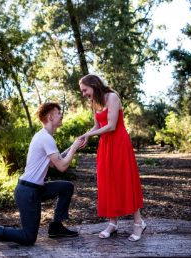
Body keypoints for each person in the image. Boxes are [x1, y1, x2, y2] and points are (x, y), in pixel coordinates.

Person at [0, 103, 83, 246]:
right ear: (50, 117)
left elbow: (54, 162)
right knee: (28, 237)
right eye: (59, 112)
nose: (62, 115)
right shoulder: (46, 138)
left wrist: (73, 147)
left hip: (35, 189)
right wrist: (74, 148)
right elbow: (62, 167)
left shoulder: (43, 136)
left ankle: (56, 227)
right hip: (28, 193)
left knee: (66, 187)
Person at [77, 74, 145, 241]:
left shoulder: (112, 97)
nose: (84, 94)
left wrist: (88, 134)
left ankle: (139, 223)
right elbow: (97, 126)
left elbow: (111, 126)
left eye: (85, 90)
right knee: (107, 182)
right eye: (82, 91)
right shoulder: (94, 103)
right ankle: (112, 223)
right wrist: (88, 135)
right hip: (105, 146)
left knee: (125, 180)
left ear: (93, 85)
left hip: (120, 144)